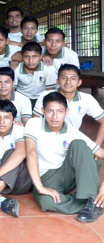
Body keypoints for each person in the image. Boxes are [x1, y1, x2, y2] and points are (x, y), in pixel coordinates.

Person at [25, 92, 104, 223]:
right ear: (43, 111)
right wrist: (40, 187)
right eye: (50, 111)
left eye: (60, 111)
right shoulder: (33, 124)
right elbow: (31, 153)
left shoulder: (72, 131)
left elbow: (101, 153)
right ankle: (91, 202)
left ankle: (92, 200)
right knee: (46, 201)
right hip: (46, 176)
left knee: (79, 144)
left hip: (67, 174)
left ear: (67, 112)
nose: (55, 116)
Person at [33, 64, 104, 146]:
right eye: (64, 78)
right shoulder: (45, 96)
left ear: (79, 82)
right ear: (57, 81)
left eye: (73, 78)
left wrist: (97, 144)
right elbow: (34, 120)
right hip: (46, 139)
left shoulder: (87, 99)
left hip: (71, 140)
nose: (68, 82)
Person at [14, 42, 57, 107]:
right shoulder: (16, 68)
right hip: (21, 99)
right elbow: (12, 90)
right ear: (22, 57)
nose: (31, 61)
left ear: (41, 56)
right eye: (27, 57)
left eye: (34, 57)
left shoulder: (48, 67)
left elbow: (50, 90)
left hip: (41, 98)